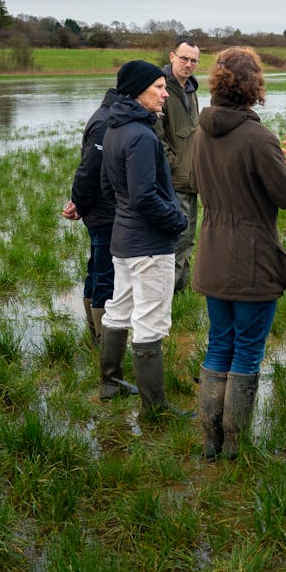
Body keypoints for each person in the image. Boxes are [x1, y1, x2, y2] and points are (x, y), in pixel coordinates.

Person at [192, 47, 286, 460]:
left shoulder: (200, 130)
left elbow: (195, 180)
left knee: (218, 344)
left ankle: (212, 442)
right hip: (251, 261)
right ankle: (235, 448)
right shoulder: (258, 137)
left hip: (211, 255)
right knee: (246, 350)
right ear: (254, 86)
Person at [99, 60, 190, 418]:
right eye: (158, 87)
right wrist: (177, 220)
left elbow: (111, 189)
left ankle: (111, 382)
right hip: (149, 245)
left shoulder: (114, 128)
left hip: (123, 241)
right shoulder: (139, 135)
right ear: (137, 91)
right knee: (150, 321)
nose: (166, 93)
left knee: (119, 310)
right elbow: (143, 196)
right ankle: (155, 407)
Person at [62, 87, 127, 365]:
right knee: (104, 275)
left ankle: (95, 335)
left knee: (97, 270)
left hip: (101, 212)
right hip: (104, 214)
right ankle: (103, 345)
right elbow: (88, 170)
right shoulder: (105, 121)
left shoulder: (108, 115)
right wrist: (80, 202)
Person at [157, 36, 202, 293]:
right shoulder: (162, 88)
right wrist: (173, 166)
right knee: (175, 237)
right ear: (172, 56)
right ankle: (168, 294)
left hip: (191, 176)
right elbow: (157, 136)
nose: (188, 64)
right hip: (173, 178)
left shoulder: (191, 89)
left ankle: (181, 290)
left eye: (193, 60)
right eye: (183, 58)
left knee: (188, 236)